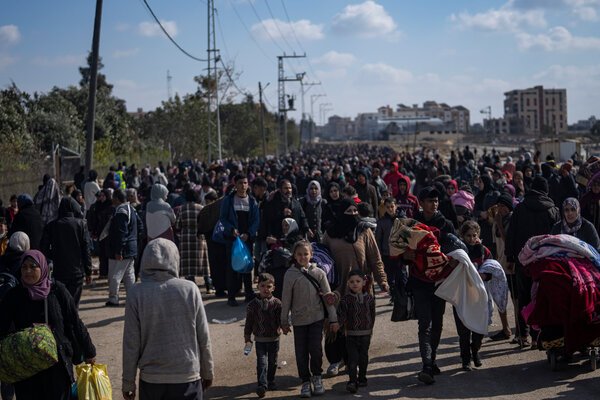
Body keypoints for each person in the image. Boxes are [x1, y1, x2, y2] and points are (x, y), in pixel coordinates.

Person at [122, 238, 214, 400]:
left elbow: (131, 342)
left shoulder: (136, 293)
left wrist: (128, 382)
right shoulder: (190, 289)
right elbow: (203, 337)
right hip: (187, 377)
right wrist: (207, 371)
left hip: (151, 380)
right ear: (175, 259)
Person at [0, 250, 96, 400]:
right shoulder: (14, 296)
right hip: (27, 367)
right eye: (24, 267)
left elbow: (75, 321)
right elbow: (2, 325)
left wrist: (89, 351)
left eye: (33, 266)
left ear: (43, 268)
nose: (28, 271)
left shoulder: (57, 291)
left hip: (56, 366)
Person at [505, 176, 560, 348]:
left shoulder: (520, 208)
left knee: (524, 297)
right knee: (543, 296)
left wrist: (509, 257)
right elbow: (557, 237)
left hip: (524, 260)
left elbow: (511, 234)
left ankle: (523, 334)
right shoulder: (552, 210)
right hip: (545, 262)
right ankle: (539, 335)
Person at [280, 240, 339, 398]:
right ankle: (305, 381)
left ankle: (317, 377)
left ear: (311, 255)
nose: (302, 257)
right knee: (301, 352)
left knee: (316, 349)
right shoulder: (290, 275)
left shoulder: (319, 272)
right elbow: (285, 300)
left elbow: (328, 298)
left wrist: (333, 319)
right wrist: (284, 321)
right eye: (299, 254)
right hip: (299, 320)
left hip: (316, 318)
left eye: (306, 254)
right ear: (294, 256)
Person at [40, 197, 92, 308]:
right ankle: (72, 323)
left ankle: (63, 324)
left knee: (61, 304)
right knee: (73, 305)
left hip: (59, 272)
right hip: (77, 272)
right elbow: (86, 249)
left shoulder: (51, 226)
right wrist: (88, 271)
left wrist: (54, 254)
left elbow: (43, 249)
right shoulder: (81, 225)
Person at [220, 174, 260, 306]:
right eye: (240, 183)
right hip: (232, 239)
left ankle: (249, 293)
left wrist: (249, 233)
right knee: (232, 267)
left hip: (247, 239)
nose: (243, 186)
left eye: (245, 183)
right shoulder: (229, 200)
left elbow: (255, 220)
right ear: (235, 185)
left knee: (247, 266)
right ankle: (231, 296)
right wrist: (232, 230)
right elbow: (223, 219)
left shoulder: (252, 201)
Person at [456, 221, 490, 371]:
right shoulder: (458, 252)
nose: (471, 239)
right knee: (463, 329)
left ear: (478, 235)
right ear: (462, 236)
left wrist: (485, 275)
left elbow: (492, 267)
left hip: (479, 297)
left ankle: (475, 350)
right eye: (468, 236)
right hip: (461, 295)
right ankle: (465, 359)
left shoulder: (484, 251)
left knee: (479, 328)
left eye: (474, 235)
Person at [337, 270, 375, 394]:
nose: (355, 284)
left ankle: (362, 378)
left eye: (358, 281)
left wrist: (370, 330)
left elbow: (372, 315)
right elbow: (342, 316)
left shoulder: (369, 298)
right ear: (348, 283)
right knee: (352, 359)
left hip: (366, 334)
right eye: (352, 282)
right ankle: (352, 381)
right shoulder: (345, 300)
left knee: (363, 357)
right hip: (351, 335)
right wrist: (338, 325)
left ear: (364, 282)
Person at [244, 273, 282, 398]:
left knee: (273, 362)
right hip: (260, 339)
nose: (266, 289)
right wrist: (247, 336)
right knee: (262, 362)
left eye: (269, 286)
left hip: (274, 338)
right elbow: (249, 322)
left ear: (273, 288)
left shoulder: (277, 303)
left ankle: (271, 381)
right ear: (258, 287)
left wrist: (284, 327)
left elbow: (281, 319)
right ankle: (262, 385)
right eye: (262, 286)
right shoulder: (252, 305)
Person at [106, 189, 143, 307]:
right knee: (129, 275)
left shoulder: (121, 211)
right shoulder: (131, 209)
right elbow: (140, 226)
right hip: (131, 248)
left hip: (122, 249)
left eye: (113, 197)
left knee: (115, 275)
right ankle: (132, 299)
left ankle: (113, 299)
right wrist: (134, 241)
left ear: (117, 198)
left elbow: (121, 233)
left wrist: (119, 250)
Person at [175, 190, 209, 287]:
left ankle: (191, 284)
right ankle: (208, 284)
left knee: (188, 263)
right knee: (202, 261)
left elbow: (177, 225)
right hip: (199, 238)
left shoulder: (181, 209)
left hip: (186, 239)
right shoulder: (201, 208)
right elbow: (205, 225)